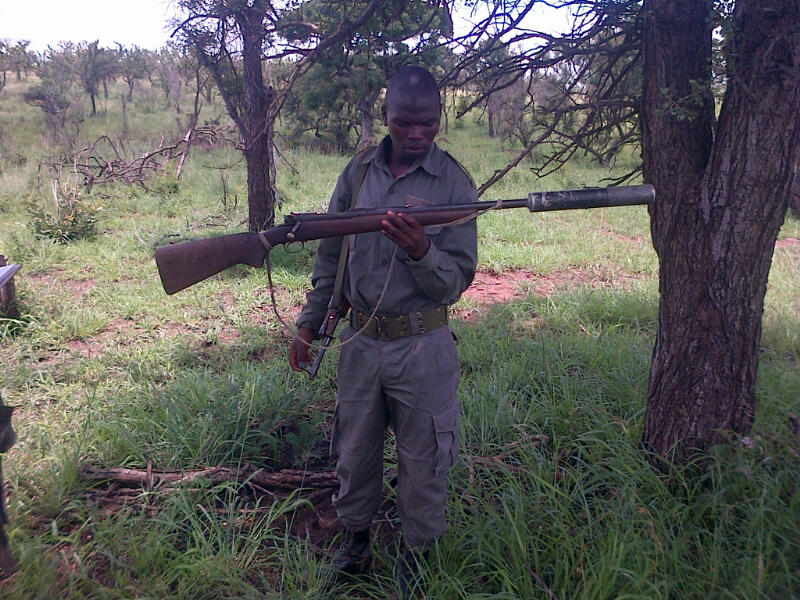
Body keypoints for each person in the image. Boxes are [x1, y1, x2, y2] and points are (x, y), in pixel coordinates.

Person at [289, 65, 478, 596]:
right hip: (360, 343)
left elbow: (456, 280)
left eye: (428, 124)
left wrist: (421, 251)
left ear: (439, 119)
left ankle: (417, 559)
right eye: (404, 124)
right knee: (355, 450)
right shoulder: (357, 174)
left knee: (425, 459)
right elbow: (331, 256)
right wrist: (309, 324)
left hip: (423, 344)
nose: (416, 135)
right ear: (385, 117)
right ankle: (356, 542)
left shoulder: (453, 182)